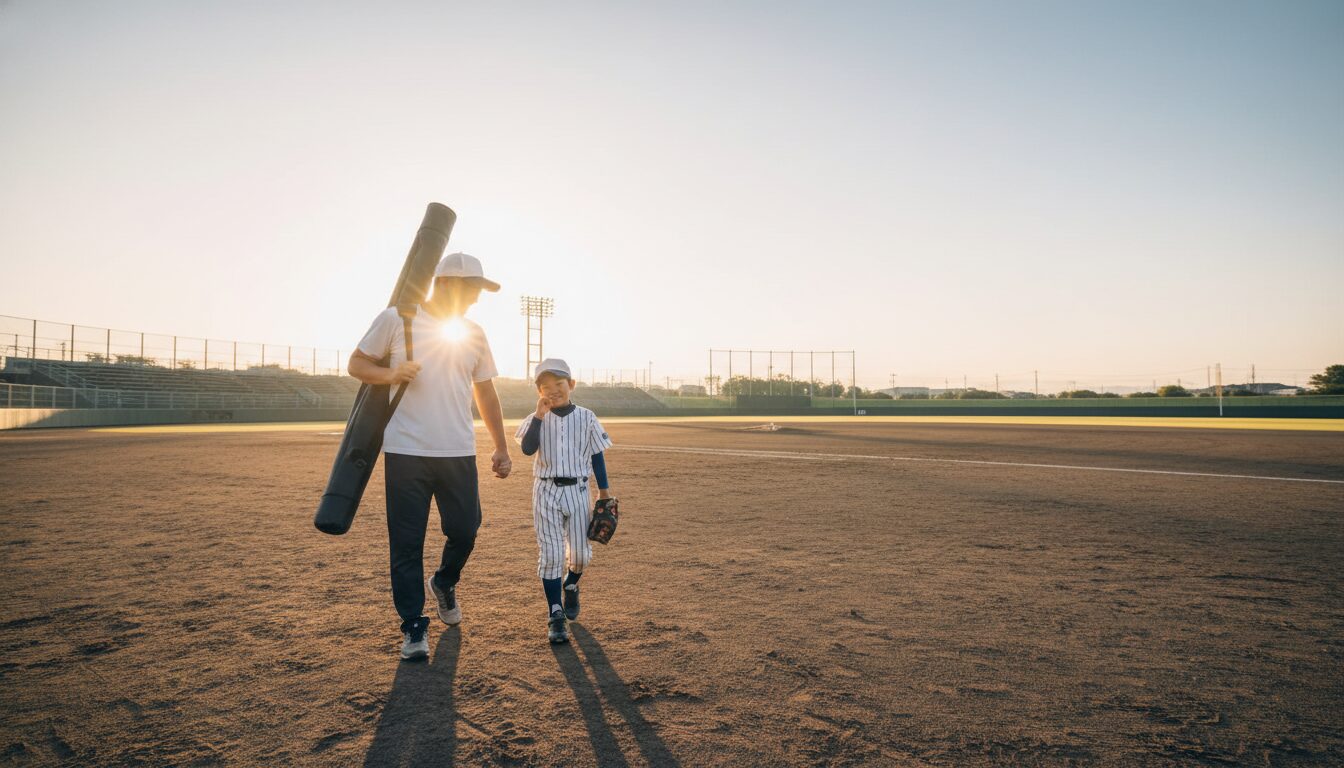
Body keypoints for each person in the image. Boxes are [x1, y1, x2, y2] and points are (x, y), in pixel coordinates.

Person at [347, 252, 512, 661]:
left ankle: (444, 581)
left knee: (466, 529)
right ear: (449, 284)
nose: (475, 299)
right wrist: (390, 374)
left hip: (457, 449)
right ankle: (413, 625)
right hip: (406, 451)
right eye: (473, 289)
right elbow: (356, 362)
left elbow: (485, 391)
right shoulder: (396, 319)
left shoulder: (472, 332)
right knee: (406, 543)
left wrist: (501, 445)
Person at [513, 358, 614, 644]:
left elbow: (597, 454)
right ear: (539, 391)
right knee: (552, 555)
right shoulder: (537, 418)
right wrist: (538, 416)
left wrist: (604, 491)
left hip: (579, 491)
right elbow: (527, 449)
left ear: (571, 384)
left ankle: (571, 586)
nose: (553, 391)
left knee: (580, 556)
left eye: (559, 384)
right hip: (545, 491)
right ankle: (555, 614)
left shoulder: (587, 416)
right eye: (546, 387)